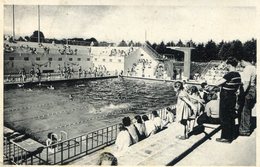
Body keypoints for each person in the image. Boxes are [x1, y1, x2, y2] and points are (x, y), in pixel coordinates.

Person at [215, 57, 241, 143]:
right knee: (231, 116)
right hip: (232, 97)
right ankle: (232, 135)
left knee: (224, 117)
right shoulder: (238, 75)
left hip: (225, 97)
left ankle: (226, 137)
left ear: (229, 65)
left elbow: (217, 83)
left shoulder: (229, 74)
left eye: (227, 65)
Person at [238, 59, 256, 136]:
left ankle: (245, 130)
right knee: (248, 109)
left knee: (244, 110)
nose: (240, 64)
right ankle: (246, 128)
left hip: (248, 90)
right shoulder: (253, 67)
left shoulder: (247, 68)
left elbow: (246, 83)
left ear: (243, 60)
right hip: (253, 89)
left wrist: (241, 94)